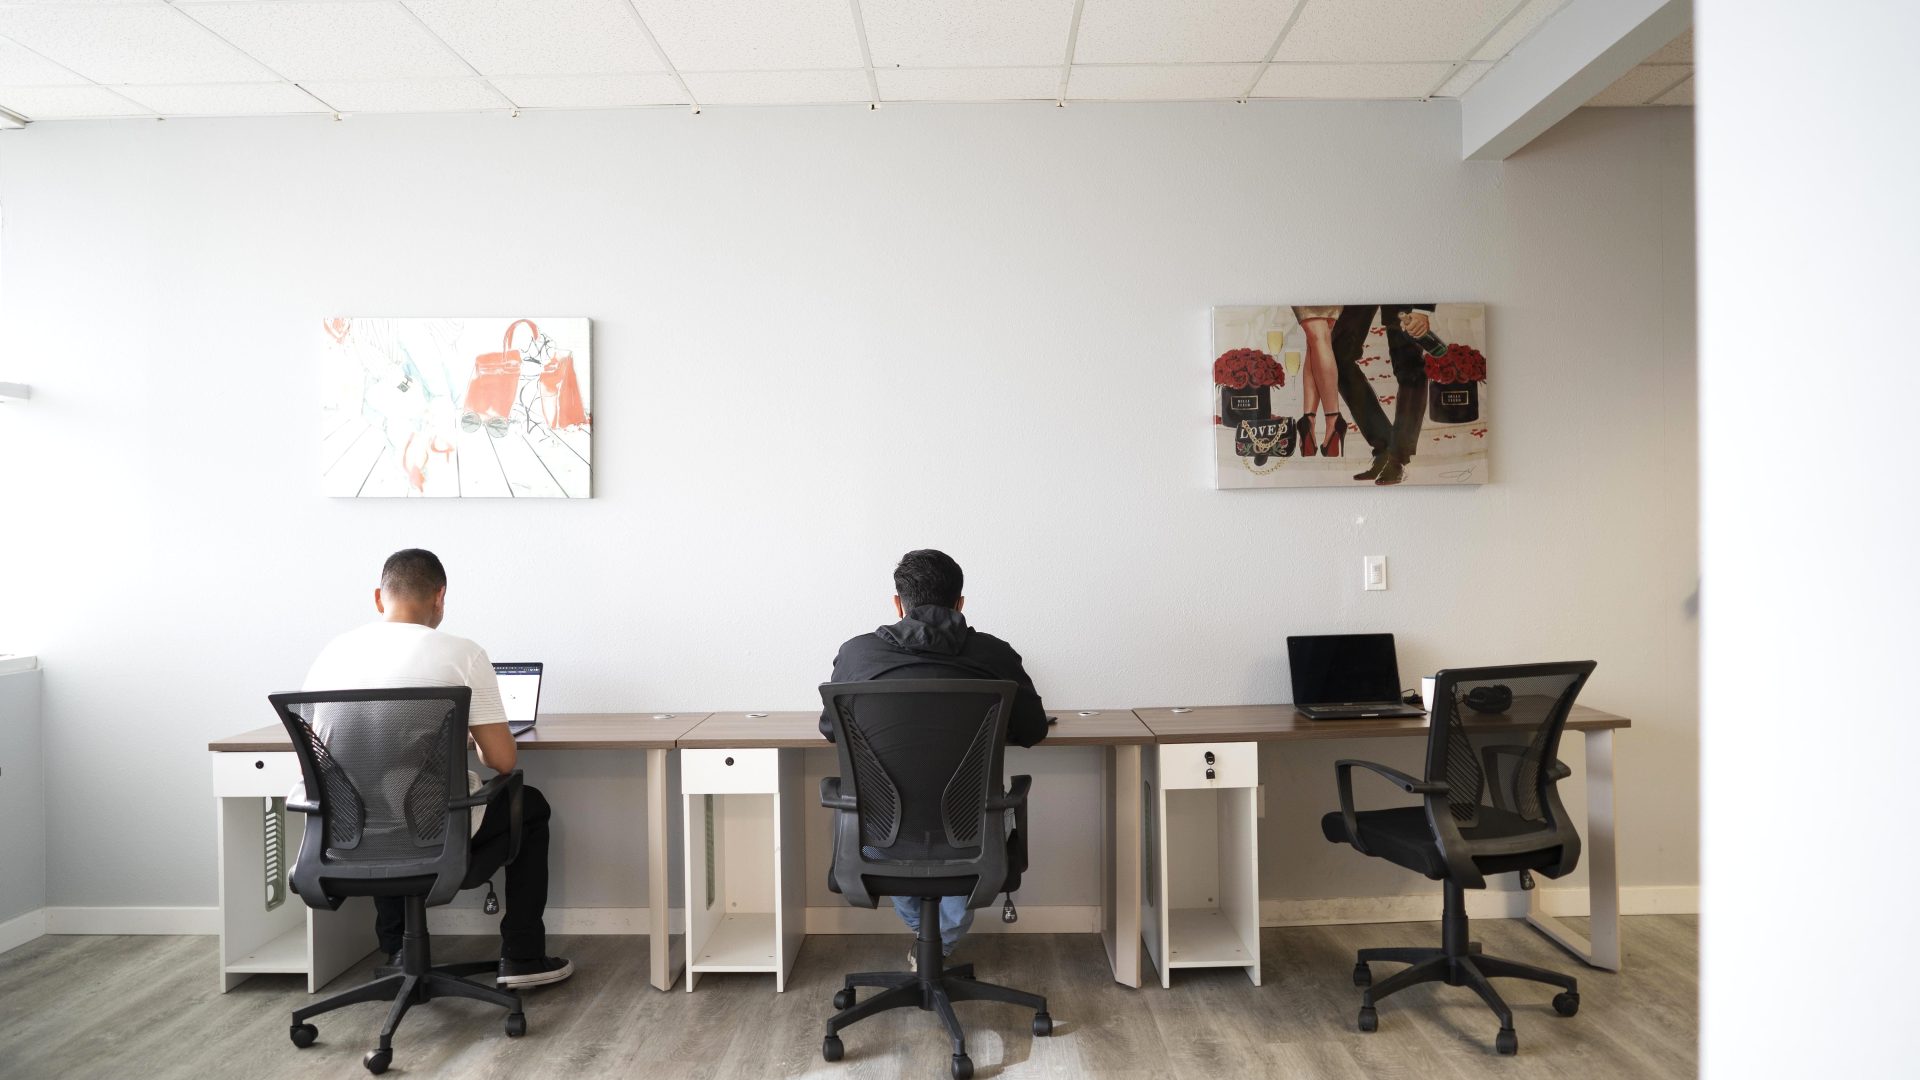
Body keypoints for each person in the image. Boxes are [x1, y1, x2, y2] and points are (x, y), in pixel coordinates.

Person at [301, 548, 570, 989]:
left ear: (378, 597)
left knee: (382, 807)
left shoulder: (332, 654)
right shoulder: (461, 653)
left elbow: (319, 755)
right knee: (529, 803)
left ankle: (397, 950)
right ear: (440, 597)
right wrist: (458, 742)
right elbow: (502, 761)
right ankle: (522, 956)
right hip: (431, 833)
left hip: (349, 836)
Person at [821, 549, 1048, 964]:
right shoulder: (994, 655)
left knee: (898, 831)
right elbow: (1032, 730)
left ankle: (931, 944)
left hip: (882, 837)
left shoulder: (857, 655)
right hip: (972, 833)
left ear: (898, 604)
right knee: (966, 825)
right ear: (960, 603)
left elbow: (831, 729)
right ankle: (940, 943)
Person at [1331, 303, 1438, 485]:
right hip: (1360, 290)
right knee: (1335, 359)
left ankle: (1397, 458)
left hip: (1404, 291)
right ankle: (1385, 446)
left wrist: (1421, 309)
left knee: (1409, 366)